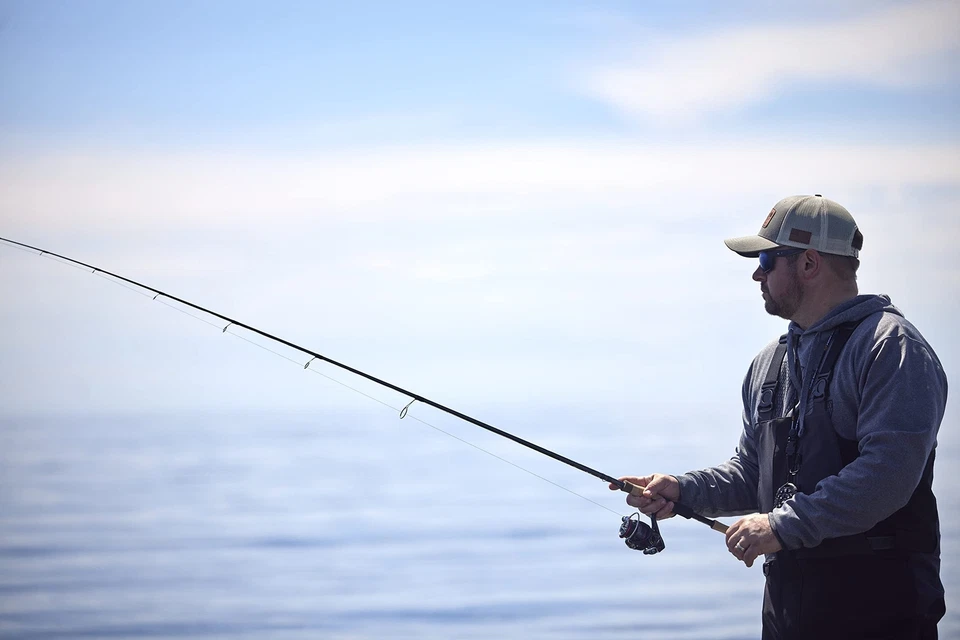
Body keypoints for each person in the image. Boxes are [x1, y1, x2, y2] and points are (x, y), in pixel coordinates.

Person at [613, 195, 947, 639]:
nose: (757, 274)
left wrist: (779, 525)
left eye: (767, 260)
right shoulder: (769, 363)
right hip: (787, 617)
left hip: (881, 612)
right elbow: (755, 474)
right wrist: (683, 489)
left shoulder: (892, 348)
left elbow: (886, 476)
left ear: (809, 263)